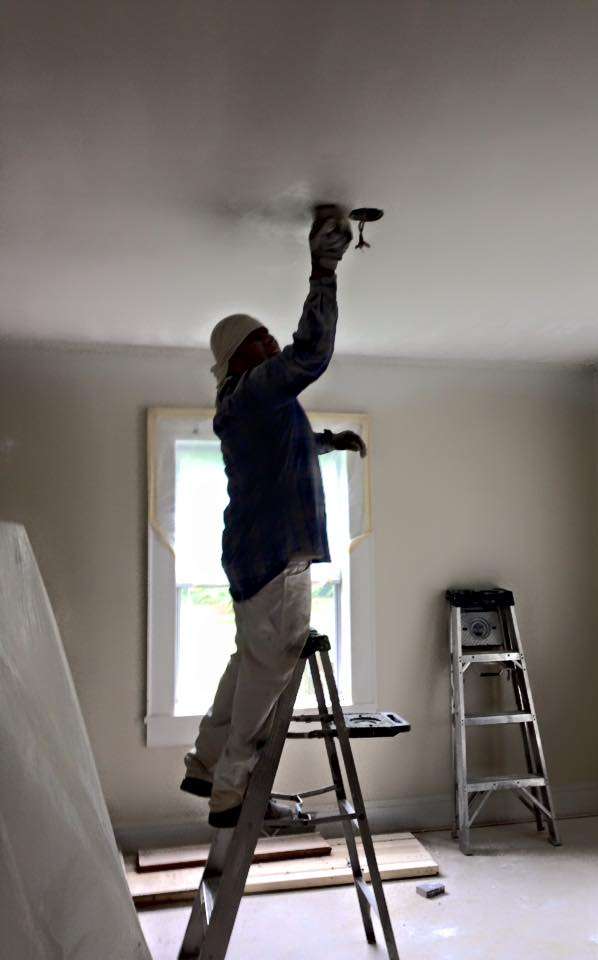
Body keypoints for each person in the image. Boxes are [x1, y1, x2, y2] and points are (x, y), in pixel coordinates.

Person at [181, 205, 367, 828]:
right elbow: (310, 353)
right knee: (272, 668)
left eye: (268, 336)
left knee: (249, 661)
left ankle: (207, 761)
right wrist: (323, 269)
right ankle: (233, 790)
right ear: (236, 359)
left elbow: (282, 450)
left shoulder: (245, 405)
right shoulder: (257, 389)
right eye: (258, 340)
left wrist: (328, 442)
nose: (271, 345)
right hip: (275, 554)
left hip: (254, 552)